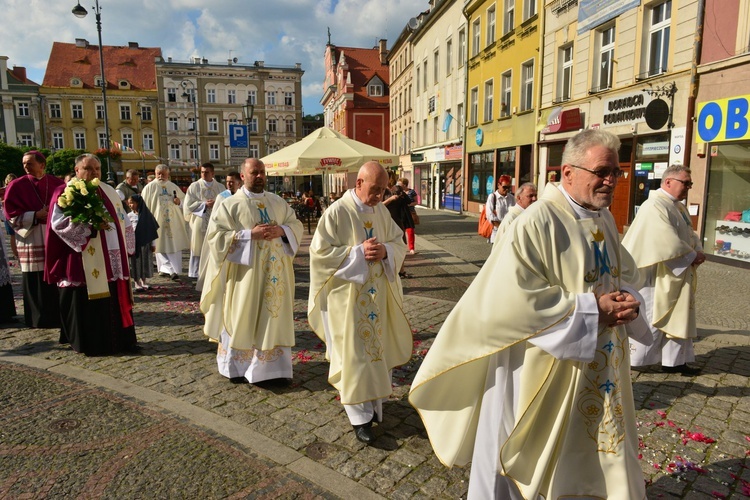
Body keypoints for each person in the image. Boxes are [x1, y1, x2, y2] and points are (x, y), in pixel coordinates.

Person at [410, 129, 649, 499]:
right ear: (568, 172)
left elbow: (626, 274)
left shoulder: (602, 220)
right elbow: (510, 300)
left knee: (587, 448)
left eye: (614, 173)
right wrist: (592, 309)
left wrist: (629, 298)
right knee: (519, 452)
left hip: (596, 363)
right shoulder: (536, 221)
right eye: (602, 171)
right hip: (537, 364)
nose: (610, 181)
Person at [308, 161, 412, 445]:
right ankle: (359, 418)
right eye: (374, 189)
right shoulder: (337, 212)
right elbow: (319, 254)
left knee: (377, 352)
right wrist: (357, 253)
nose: (379, 195)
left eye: (383, 189)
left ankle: (375, 406)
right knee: (355, 356)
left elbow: (399, 241)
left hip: (377, 297)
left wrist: (386, 251)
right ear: (358, 184)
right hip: (348, 300)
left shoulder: (380, 210)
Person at [200, 158, 303, 384]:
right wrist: (249, 235)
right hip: (244, 278)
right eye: (254, 172)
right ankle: (239, 368)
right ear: (243, 176)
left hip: (275, 278)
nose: (260, 176)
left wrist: (282, 230)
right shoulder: (230, 205)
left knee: (272, 317)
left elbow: (296, 225)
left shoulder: (278, 202)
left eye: (262, 172)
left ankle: (274, 371)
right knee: (242, 316)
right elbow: (215, 238)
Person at [45, 154, 137, 356]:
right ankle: (94, 343)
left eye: (97, 168)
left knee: (114, 296)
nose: (94, 172)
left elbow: (123, 219)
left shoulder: (109, 191)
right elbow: (58, 224)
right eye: (88, 168)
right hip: (83, 259)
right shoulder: (65, 191)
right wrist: (90, 226)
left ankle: (120, 341)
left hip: (113, 256)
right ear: (77, 170)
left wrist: (127, 244)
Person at [622, 164, 704, 376]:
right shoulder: (654, 206)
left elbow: (690, 233)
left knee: (679, 316)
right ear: (668, 182)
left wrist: (698, 249)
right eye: (685, 183)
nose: (688, 188)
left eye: (690, 184)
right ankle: (638, 359)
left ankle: (675, 361)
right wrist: (692, 255)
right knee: (654, 315)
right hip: (655, 275)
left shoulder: (677, 206)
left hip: (676, 272)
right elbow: (664, 240)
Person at [3, 150, 64, 328]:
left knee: (54, 276)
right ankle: (37, 317)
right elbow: (10, 214)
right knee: (34, 279)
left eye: (29, 163)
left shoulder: (56, 183)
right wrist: (35, 215)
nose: (25, 166)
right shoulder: (16, 185)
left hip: (53, 236)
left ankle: (58, 315)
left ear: (42, 165)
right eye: (24, 163)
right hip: (30, 237)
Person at [141, 164, 189, 280]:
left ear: (168, 174)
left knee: (173, 245)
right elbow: (144, 204)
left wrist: (179, 202)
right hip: (156, 221)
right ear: (155, 173)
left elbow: (184, 200)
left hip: (173, 222)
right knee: (158, 245)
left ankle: (170, 269)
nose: (161, 176)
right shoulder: (149, 187)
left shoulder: (173, 186)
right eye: (159, 174)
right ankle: (166, 269)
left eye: (163, 174)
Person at [183, 162, 224, 279]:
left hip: (215, 221)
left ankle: (212, 271)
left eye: (206, 172)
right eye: (202, 172)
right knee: (197, 246)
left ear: (213, 173)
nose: (204, 174)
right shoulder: (194, 186)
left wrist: (216, 203)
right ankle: (195, 272)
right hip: (199, 221)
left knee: (214, 246)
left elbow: (226, 203)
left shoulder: (220, 187)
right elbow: (188, 204)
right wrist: (204, 204)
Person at [126, 194, 159, 292]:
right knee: (136, 263)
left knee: (145, 262)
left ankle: (144, 281)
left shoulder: (147, 215)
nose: (130, 205)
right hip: (135, 242)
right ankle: (137, 282)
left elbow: (152, 230)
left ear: (138, 203)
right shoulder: (129, 216)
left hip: (146, 242)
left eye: (132, 203)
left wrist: (153, 244)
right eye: (129, 203)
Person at [492, 182, 537, 247]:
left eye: (535, 195)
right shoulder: (510, 220)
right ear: (519, 198)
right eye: (530, 196)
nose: (534, 199)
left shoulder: (530, 215)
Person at [383, 184, 414, 278]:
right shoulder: (387, 196)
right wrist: (391, 199)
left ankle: (401, 270)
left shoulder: (401, 197)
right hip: (388, 224)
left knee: (401, 246)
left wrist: (403, 194)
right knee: (388, 247)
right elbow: (380, 206)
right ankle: (391, 270)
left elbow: (409, 201)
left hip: (399, 224)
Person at [485, 174, 515, 244]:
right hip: (496, 234)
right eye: (504, 187)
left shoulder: (511, 198)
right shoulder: (492, 197)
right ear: (498, 185)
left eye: (508, 187)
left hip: (509, 234)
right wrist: (502, 228)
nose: (506, 190)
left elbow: (514, 213)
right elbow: (490, 216)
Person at [398, 178, 419, 254]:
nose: (398, 185)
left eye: (399, 184)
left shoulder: (412, 192)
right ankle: (401, 247)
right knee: (400, 231)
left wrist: (409, 204)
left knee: (410, 231)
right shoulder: (397, 192)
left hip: (410, 212)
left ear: (404, 185)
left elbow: (416, 202)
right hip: (400, 213)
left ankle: (412, 248)